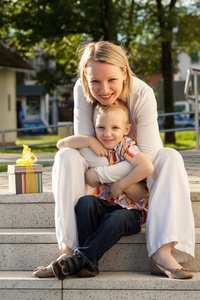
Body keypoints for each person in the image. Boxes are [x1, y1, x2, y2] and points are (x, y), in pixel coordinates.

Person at [33, 41, 195, 280]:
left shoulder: (142, 93)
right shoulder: (81, 89)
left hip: (139, 180)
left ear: (125, 73)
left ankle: (162, 252)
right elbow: (88, 146)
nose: (104, 89)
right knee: (65, 155)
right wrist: (97, 158)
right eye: (95, 81)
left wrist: (117, 182)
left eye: (111, 80)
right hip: (106, 181)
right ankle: (69, 250)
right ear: (85, 79)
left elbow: (149, 155)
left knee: (170, 156)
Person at [51, 99, 153, 280]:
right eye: (101, 128)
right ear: (94, 127)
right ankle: (88, 265)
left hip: (130, 212)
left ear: (126, 129)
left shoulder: (125, 147)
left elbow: (146, 167)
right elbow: (61, 144)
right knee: (85, 202)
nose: (107, 134)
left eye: (115, 128)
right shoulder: (94, 145)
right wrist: (89, 140)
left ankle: (79, 258)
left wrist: (121, 184)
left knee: (117, 216)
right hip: (104, 207)